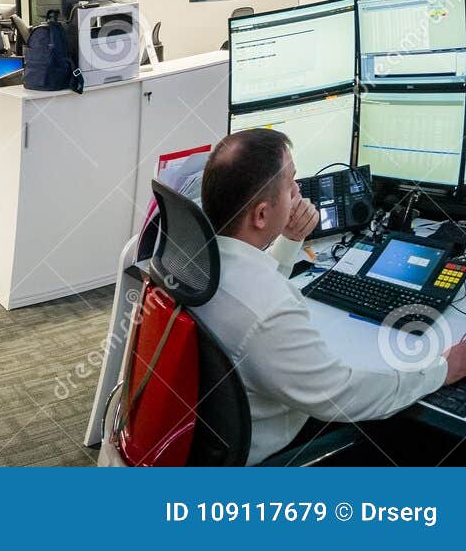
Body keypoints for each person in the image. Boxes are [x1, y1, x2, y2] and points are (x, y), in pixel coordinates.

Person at [192, 130, 466, 464]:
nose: (299, 192)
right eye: (291, 184)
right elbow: (342, 394)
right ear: (262, 215)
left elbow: (252, 291)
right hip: (274, 450)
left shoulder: (201, 266)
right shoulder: (270, 312)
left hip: (221, 434)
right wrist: (442, 369)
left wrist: (291, 239)